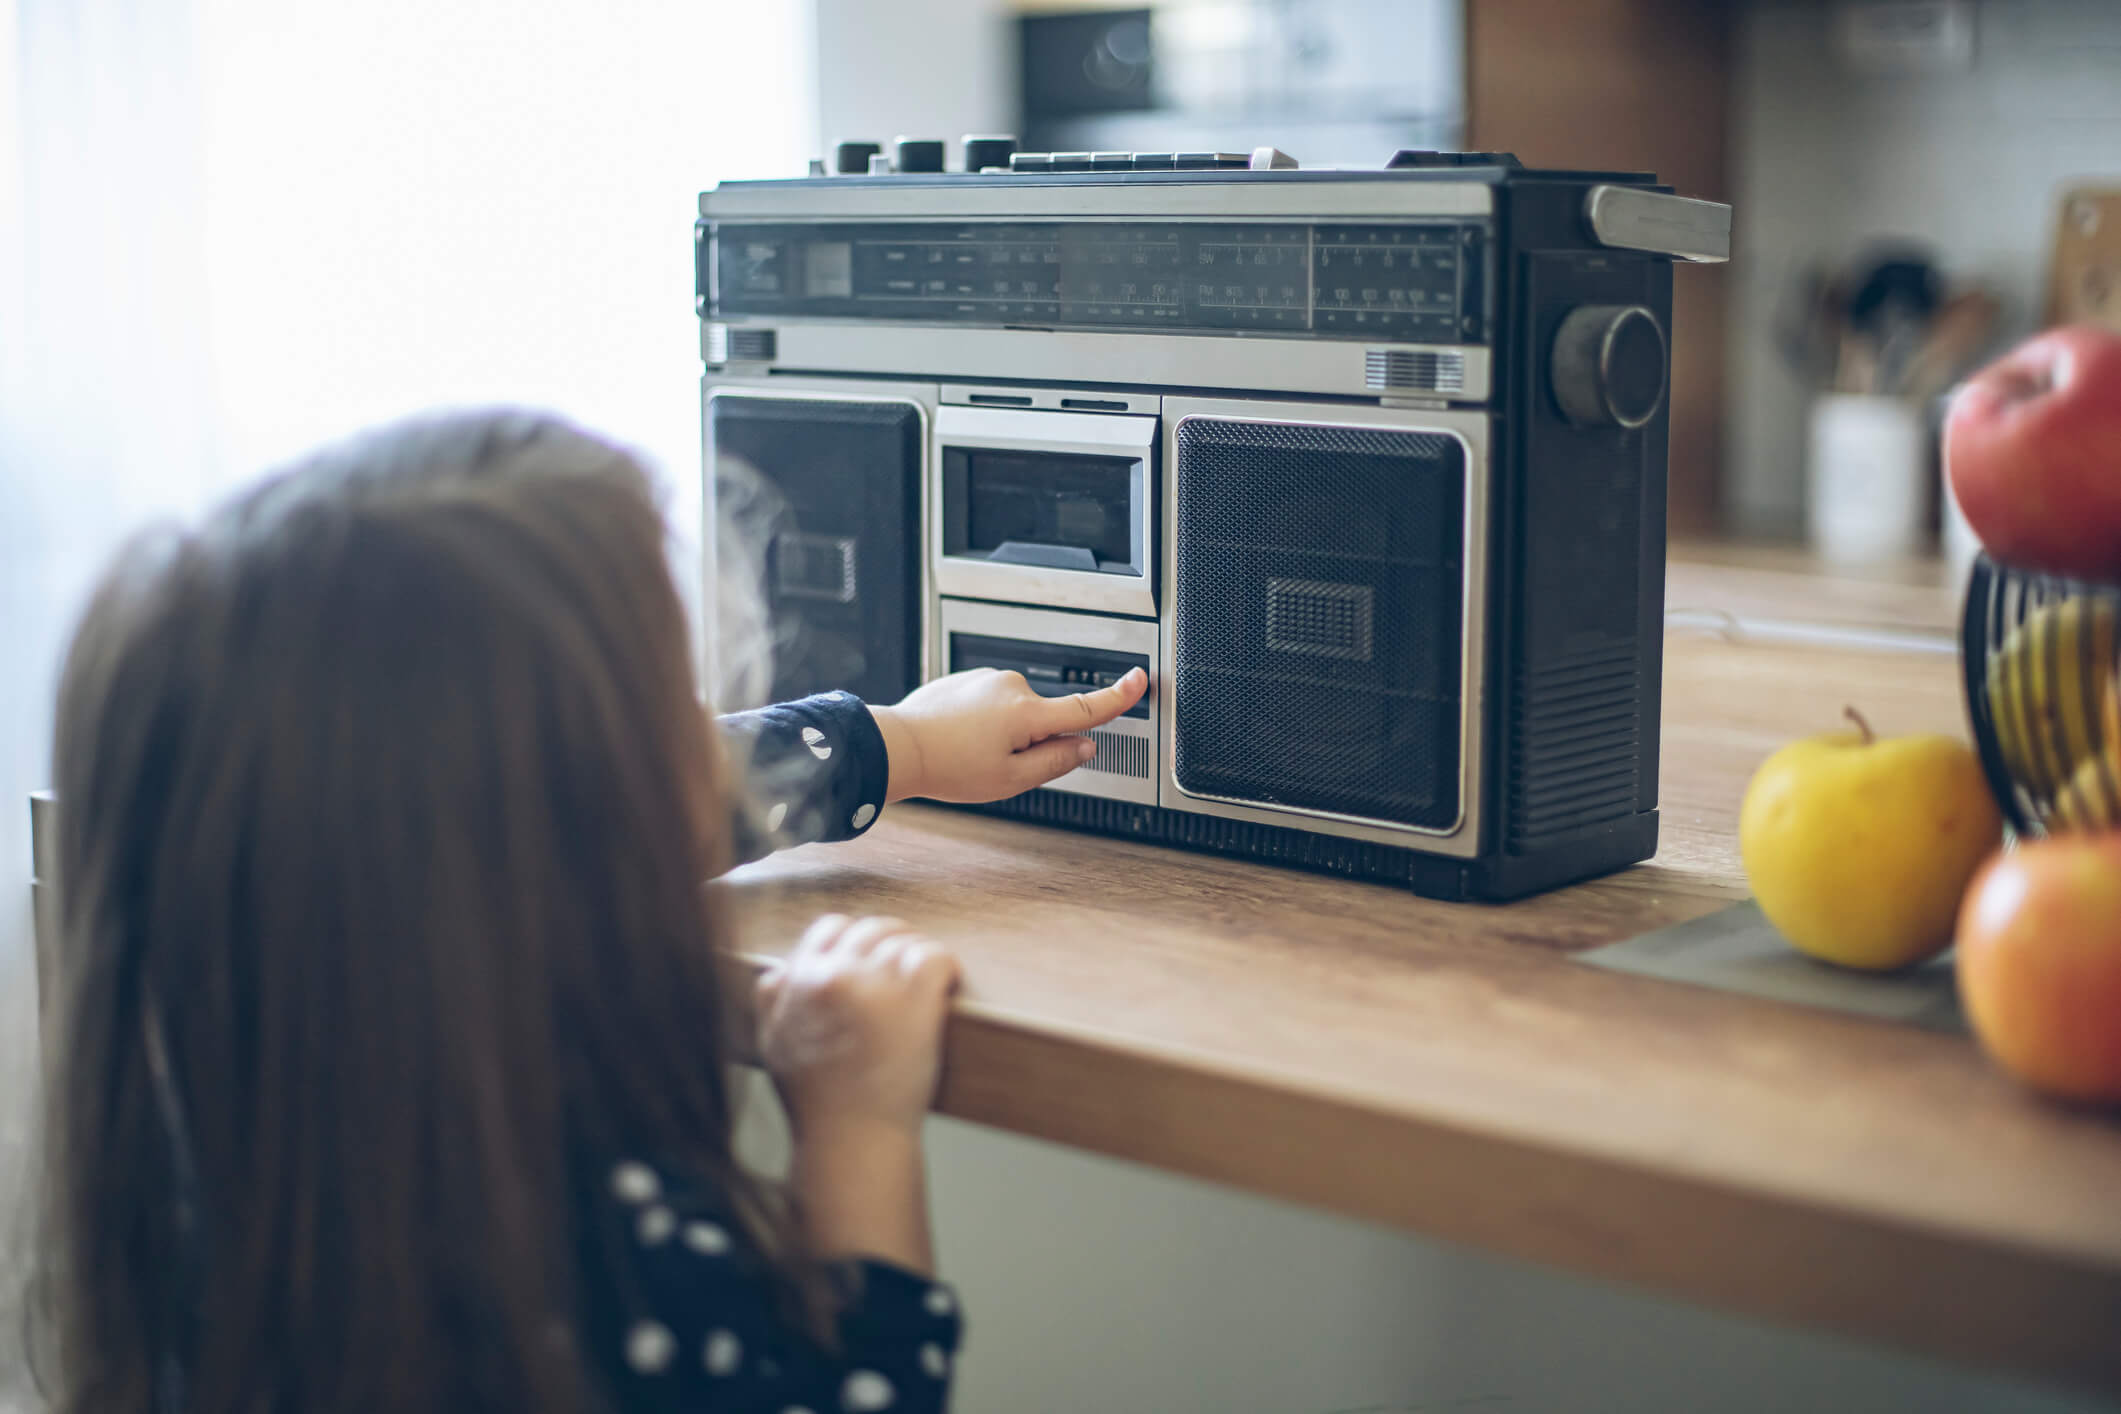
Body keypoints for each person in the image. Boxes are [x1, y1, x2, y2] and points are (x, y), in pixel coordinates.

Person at [36, 408, 1148, 1414]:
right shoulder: (621, 1275)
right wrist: (857, 1129)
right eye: (675, 704)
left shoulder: (210, 1168)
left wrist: (898, 741)